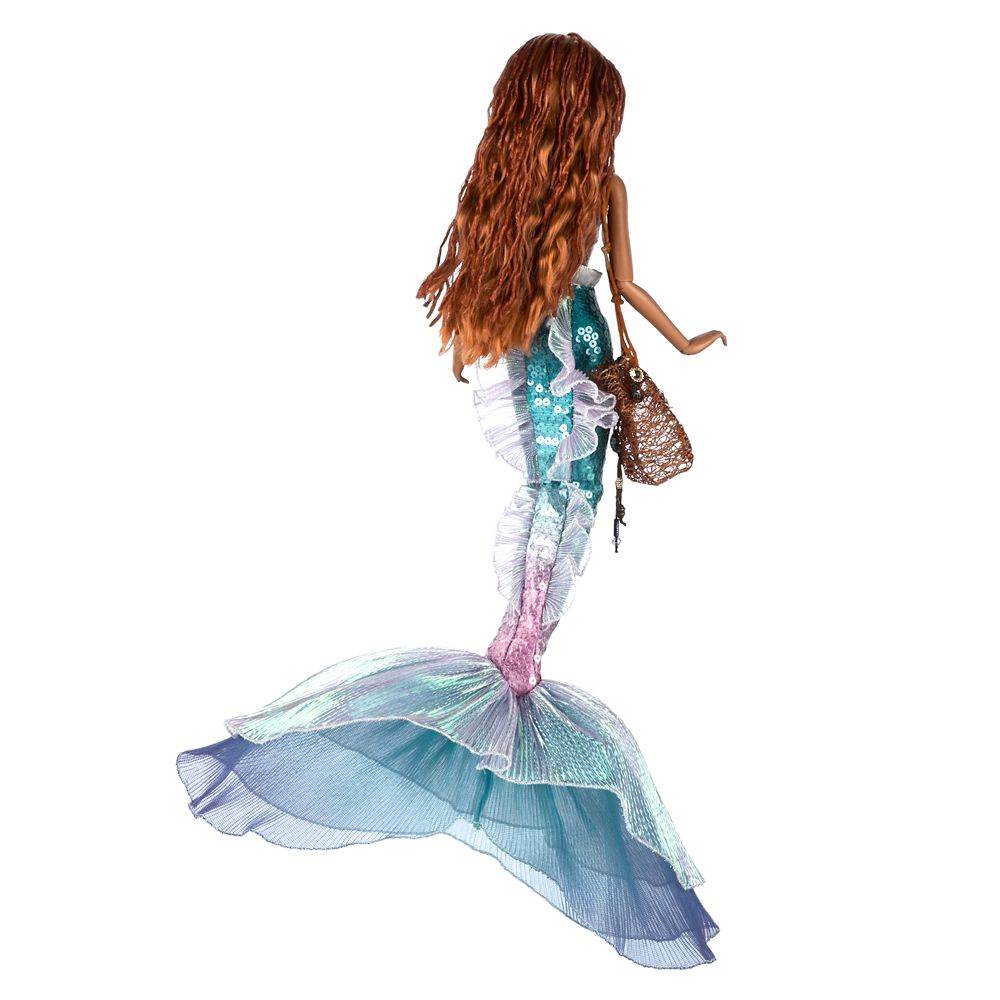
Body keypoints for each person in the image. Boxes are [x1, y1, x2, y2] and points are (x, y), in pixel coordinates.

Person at [178, 32, 725, 969]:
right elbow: (626, 285)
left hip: (536, 344)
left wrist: (675, 340)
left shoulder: (516, 187)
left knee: (556, 493)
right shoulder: (594, 185)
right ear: (590, 112)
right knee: (567, 494)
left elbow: (580, 278)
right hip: (570, 349)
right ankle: (521, 648)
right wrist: (676, 343)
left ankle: (522, 640)